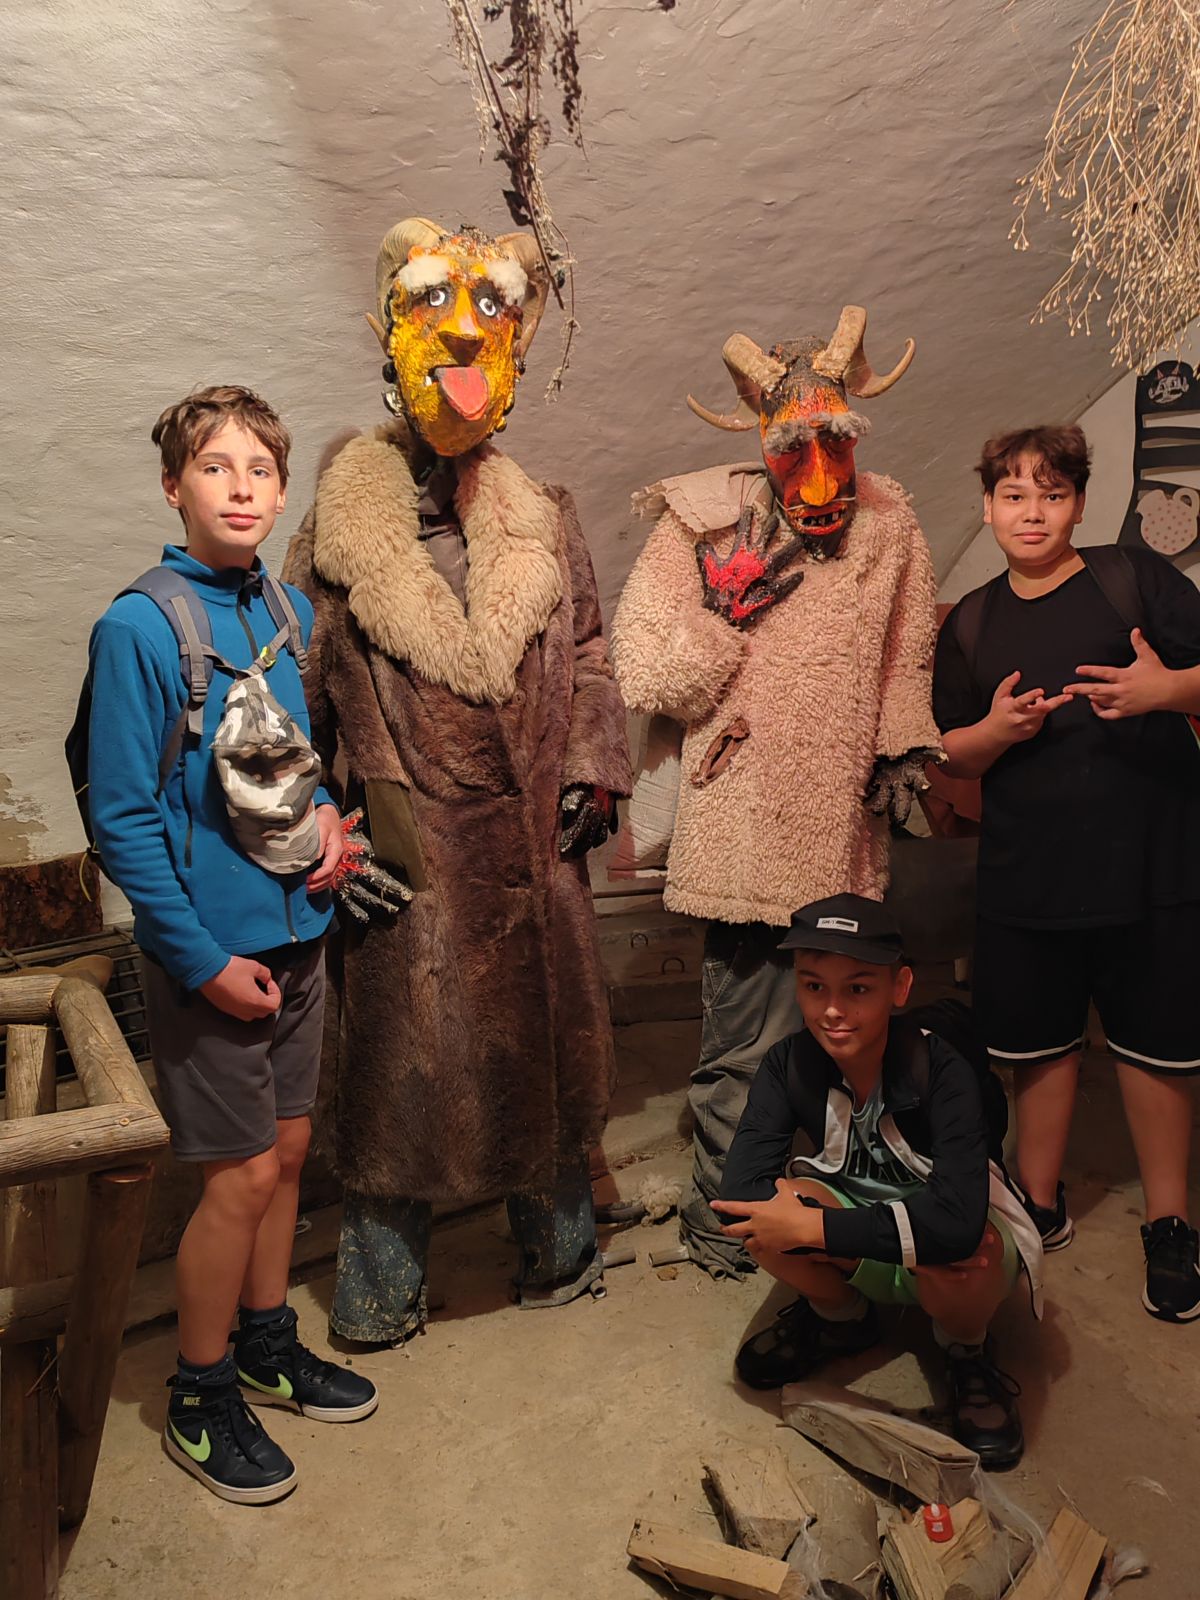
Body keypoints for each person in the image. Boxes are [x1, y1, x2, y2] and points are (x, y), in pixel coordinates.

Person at [283, 218, 632, 1342]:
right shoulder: (338, 534)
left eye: (492, 317)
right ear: (392, 342)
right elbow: (288, 705)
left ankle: (560, 1256)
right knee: (404, 1084)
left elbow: (588, 647)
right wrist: (324, 829)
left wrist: (593, 766)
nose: (467, 339)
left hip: (536, 848)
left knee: (547, 1065)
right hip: (410, 855)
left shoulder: (545, 517)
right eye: (436, 313)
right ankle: (379, 1298)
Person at [85, 386, 377, 1506]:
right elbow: (122, 819)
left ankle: (264, 1341)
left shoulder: (285, 612)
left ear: (282, 489)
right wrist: (203, 962)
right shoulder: (139, 628)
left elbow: (286, 765)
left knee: (289, 1157)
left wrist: (330, 825)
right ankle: (198, 1394)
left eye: (261, 468)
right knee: (242, 1172)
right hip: (210, 958)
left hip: (299, 936)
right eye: (215, 466)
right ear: (174, 486)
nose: (241, 486)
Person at [612, 309, 942, 1275]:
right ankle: (728, 1227)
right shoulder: (702, 521)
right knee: (745, 1044)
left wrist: (900, 745)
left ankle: (829, 1212)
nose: (820, 474)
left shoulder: (891, 524)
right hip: (744, 825)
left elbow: (905, 652)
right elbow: (644, 665)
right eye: (795, 447)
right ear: (761, 439)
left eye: (836, 441)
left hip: (840, 826)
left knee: (849, 1037)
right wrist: (721, 620)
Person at [934, 423, 1200, 1323]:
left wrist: (1167, 690)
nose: (1033, 512)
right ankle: (1038, 1205)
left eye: (1052, 494)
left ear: (1080, 504)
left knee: (1157, 1049)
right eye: (1014, 495)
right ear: (988, 508)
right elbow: (950, 752)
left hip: (1153, 867)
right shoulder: (972, 621)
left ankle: (1170, 1223)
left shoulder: (1135, 579)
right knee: (1039, 1047)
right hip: (1030, 874)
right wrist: (995, 732)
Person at [712, 895, 1040, 1470]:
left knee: (969, 1253)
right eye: (814, 986)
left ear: (900, 987)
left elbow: (957, 1225)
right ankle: (842, 1320)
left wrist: (816, 1229)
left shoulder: (942, 1070)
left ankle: (965, 1349)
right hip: (876, 1234)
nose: (832, 1010)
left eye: (858, 988)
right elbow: (738, 1195)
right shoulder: (789, 1063)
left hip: (941, 1252)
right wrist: (805, 1222)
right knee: (762, 1223)